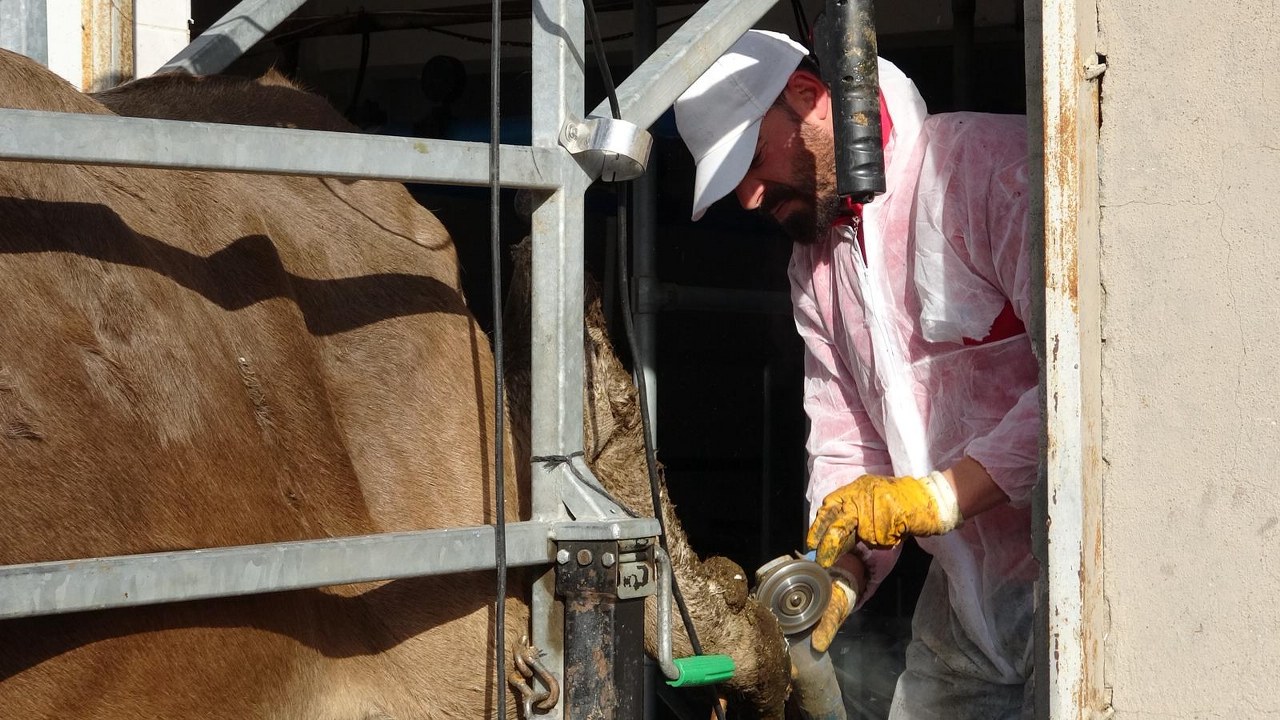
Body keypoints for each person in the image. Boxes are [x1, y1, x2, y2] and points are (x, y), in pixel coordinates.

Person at [674, 30, 1038, 719]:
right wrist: (839, 575)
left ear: (809, 96)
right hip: (966, 607)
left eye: (752, 159)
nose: (748, 199)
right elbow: (848, 445)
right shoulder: (815, 266)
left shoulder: (988, 170)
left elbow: (1079, 391)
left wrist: (941, 496)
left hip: (1080, 577)